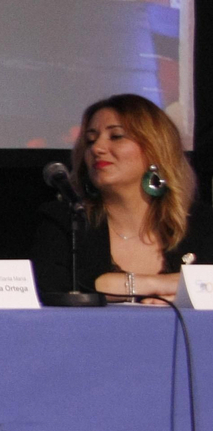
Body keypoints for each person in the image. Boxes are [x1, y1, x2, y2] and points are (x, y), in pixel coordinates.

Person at [31, 94, 209, 300]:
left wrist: (179, 297)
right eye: (90, 140)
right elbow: (54, 287)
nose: (97, 148)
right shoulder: (65, 220)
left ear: (156, 148)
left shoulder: (202, 223)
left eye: (116, 136)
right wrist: (161, 285)